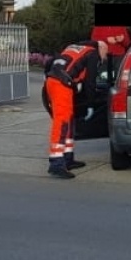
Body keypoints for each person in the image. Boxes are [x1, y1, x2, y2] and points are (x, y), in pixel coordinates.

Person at [43, 40, 106, 179]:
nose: (104, 58)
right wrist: (90, 104)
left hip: (54, 82)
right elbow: (90, 81)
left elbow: (52, 62)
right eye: (105, 54)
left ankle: (67, 158)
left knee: (69, 121)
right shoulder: (92, 53)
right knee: (62, 123)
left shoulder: (74, 47)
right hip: (62, 85)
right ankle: (56, 162)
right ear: (101, 48)